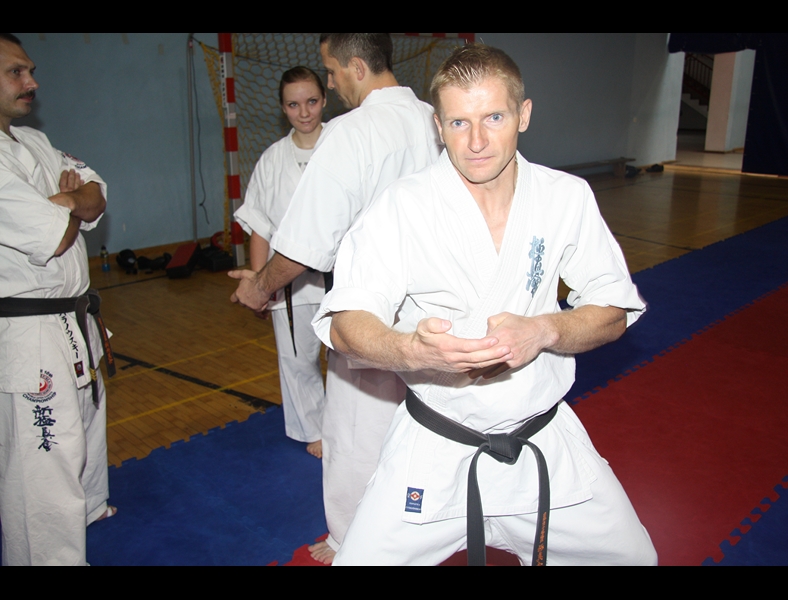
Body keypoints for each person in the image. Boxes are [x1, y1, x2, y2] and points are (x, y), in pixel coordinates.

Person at [312, 44, 657, 566]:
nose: (476, 141)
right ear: (437, 125)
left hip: (541, 438)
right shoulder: (402, 207)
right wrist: (411, 350)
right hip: (435, 442)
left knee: (633, 558)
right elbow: (346, 324)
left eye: (494, 117)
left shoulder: (565, 197)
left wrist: (544, 330)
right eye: (458, 122)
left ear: (524, 114)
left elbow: (613, 310)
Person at [229, 33, 441, 563]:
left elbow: (305, 244)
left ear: (356, 67)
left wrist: (259, 286)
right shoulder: (431, 118)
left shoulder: (352, 131)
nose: (330, 81)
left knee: (352, 432)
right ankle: (423, 519)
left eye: (331, 71)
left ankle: (351, 539)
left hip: (367, 310)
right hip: (430, 306)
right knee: (422, 422)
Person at [0, 33, 115, 566]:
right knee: (43, 458)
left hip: (73, 315)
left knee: (85, 424)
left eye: (30, 70)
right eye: (16, 72)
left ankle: (89, 508)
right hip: (30, 328)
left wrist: (64, 199)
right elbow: (62, 234)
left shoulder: (34, 142)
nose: (32, 82)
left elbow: (97, 194)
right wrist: (71, 208)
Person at [234, 67, 328, 458]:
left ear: (325, 100)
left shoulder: (344, 144)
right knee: (297, 359)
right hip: (288, 281)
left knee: (351, 362)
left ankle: (347, 429)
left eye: (312, 101)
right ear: (282, 108)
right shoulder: (272, 159)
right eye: (293, 104)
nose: (304, 112)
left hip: (342, 277)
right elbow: (260, 226)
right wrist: (261, 285)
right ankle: (315, 430)